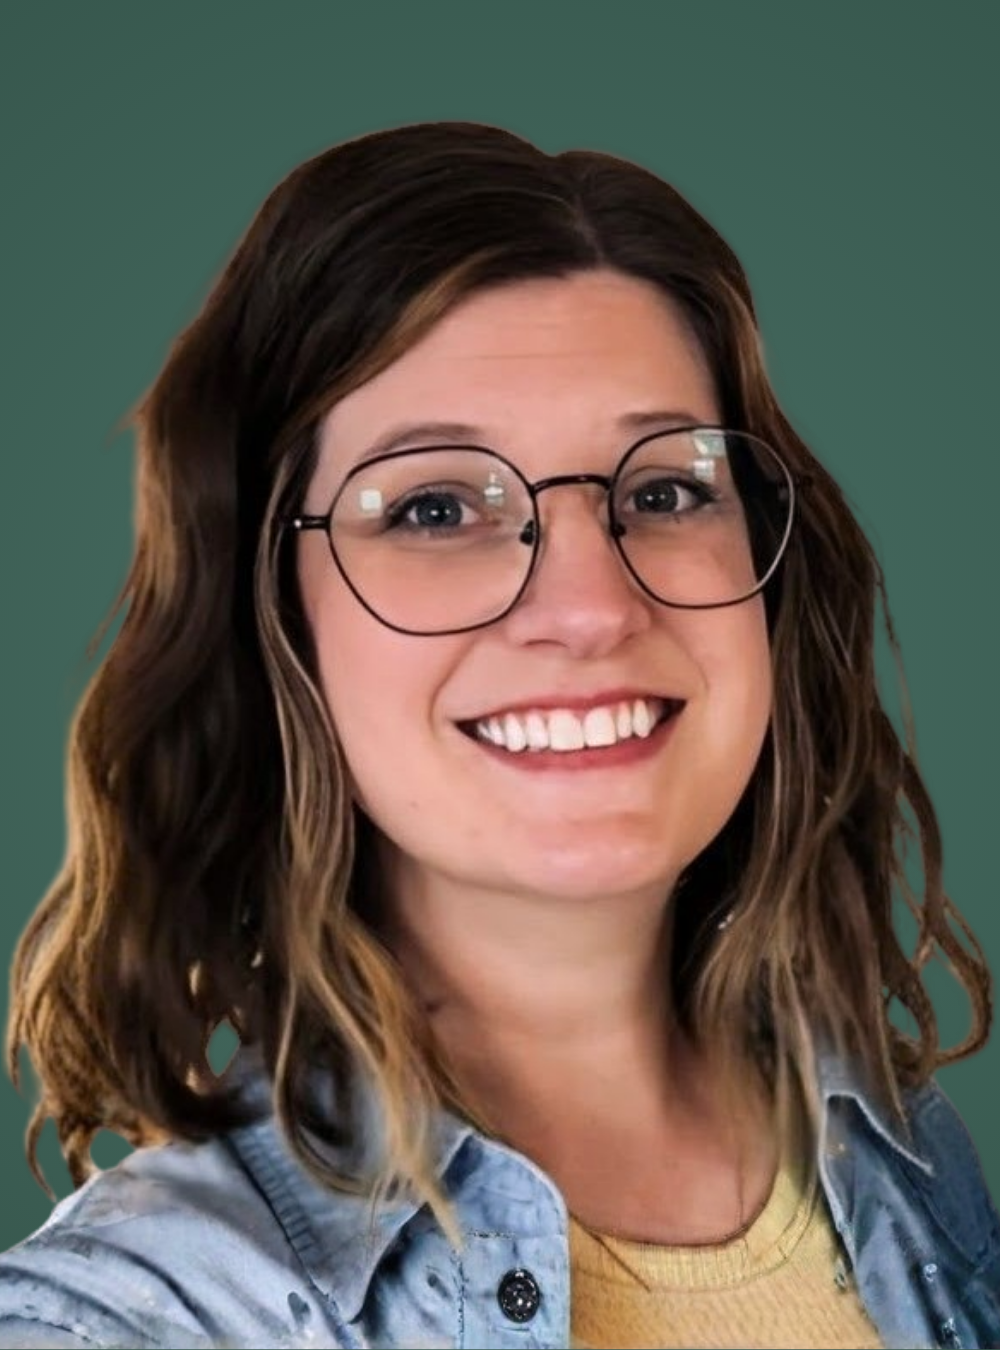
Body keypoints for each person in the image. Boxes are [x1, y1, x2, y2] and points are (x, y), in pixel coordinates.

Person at [0, 121, 996, 1350]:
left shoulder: (907, 1161)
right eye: (433, 506)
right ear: (269, 621)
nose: (591, 607)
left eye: (663, 491)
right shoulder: (120, 1320)